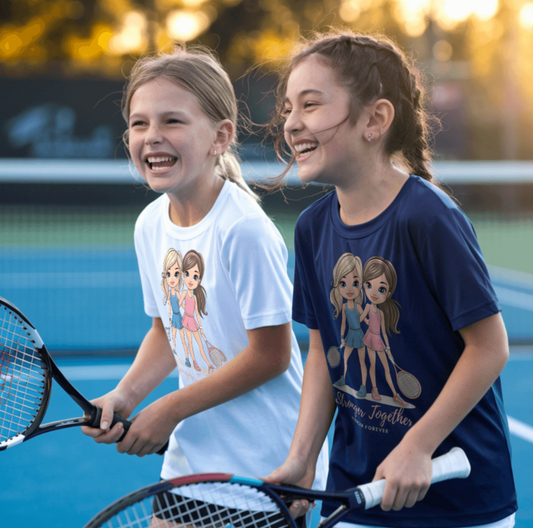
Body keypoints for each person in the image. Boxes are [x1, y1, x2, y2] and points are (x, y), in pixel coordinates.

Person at [263, 30, 517, 528]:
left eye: (310, 105)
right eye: (288, 108)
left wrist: (417, 447)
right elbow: (323, 351)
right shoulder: (313, 228)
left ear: (375, 120)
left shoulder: (428, 217)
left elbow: (490, 347)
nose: (292, 124)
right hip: (355, 493)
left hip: (460, 505)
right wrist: (303, 459)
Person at [81, 46, 328, 494]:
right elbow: (168, 331)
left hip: (266, 468)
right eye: (139, 123)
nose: (151, 135)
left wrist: (170, 409)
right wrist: (126, 396)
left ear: (219, 137)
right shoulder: (150, 225)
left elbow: (270, 355)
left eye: (172, 121)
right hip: (190, 462)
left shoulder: (244, 230)